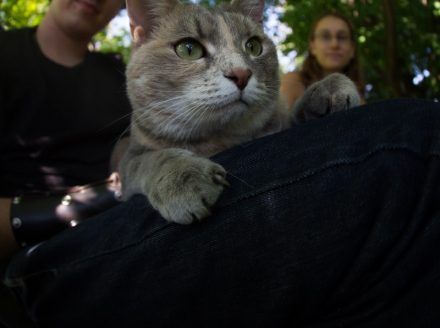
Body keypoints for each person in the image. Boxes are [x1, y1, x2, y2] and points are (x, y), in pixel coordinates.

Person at [2, 97, 440, 326]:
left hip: (145, 215)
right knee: (414, 145)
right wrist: (82, 203)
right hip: (52, 252)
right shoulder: (11, 53)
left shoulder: (112, 68)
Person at [0, 0, 150, 323]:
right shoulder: (6, 56)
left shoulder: (123, 76)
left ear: (122, 7)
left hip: (135, 242)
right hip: (32, 271)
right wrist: (101, 199)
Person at [280, 12, 365, 109]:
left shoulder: (360, 101)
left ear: (352, 49)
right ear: (313, 47)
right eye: (325, 36)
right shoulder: (292, 83)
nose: (334, 44)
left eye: (342, 37)